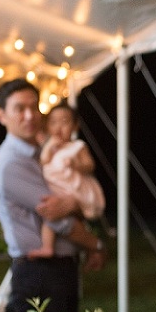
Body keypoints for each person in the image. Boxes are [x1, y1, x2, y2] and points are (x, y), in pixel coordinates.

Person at [0, 78, 107, 312]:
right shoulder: (12, 162)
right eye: (19, 109)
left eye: (35, 107)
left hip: (58, 269)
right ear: (2, 116)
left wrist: (75, 202)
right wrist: (96, 245)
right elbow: (58, 217)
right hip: (39, 274)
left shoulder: (41, 153)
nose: (30, 115)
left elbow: (69, 203)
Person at [28, 103, 105, 259]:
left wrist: (77, 164)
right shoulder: (49, 147)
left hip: (73, 190)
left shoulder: (77, 146)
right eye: (53, 122)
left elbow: (90, 165)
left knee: (68, 219)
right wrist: (49, 148)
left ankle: (88, 247)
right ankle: (48, 246)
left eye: (64, 122)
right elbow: (43, 163)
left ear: (75, 126)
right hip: (56, 189)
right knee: (50, 217)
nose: (59, 127)